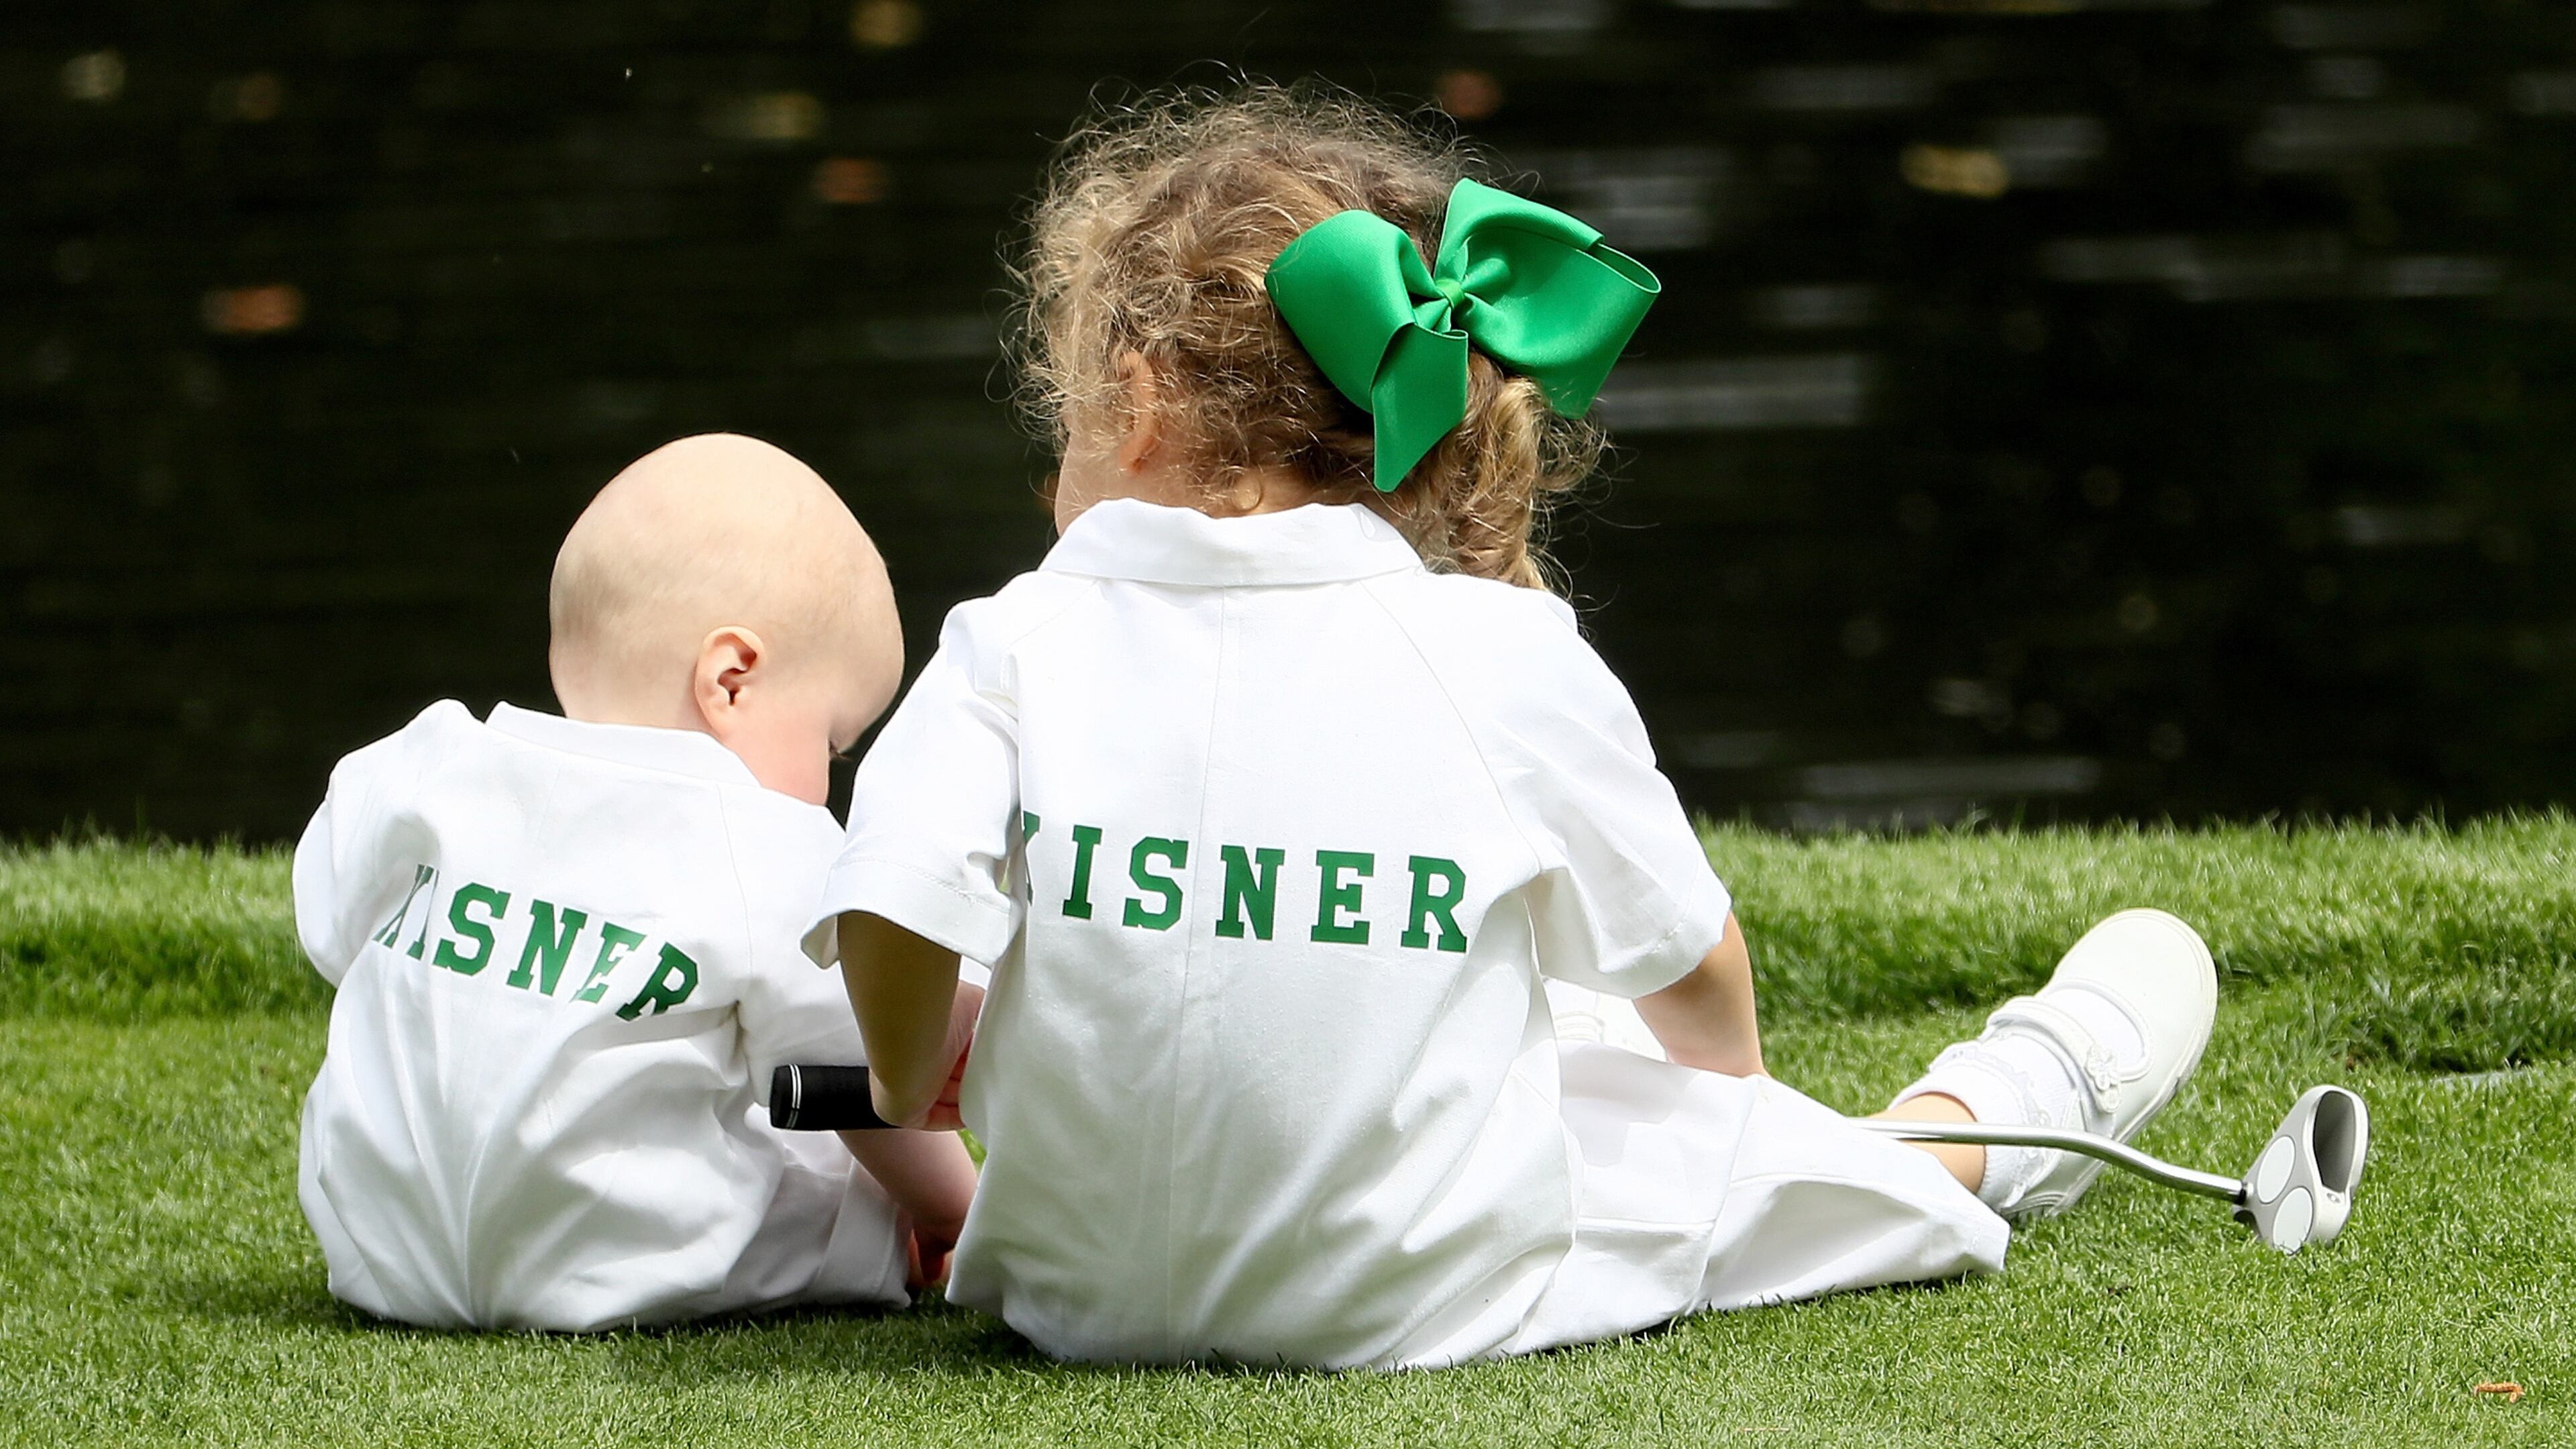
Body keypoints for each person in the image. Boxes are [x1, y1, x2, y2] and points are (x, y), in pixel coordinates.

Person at [807, 89, 2216, 1369]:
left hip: (1078, 1305)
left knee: (1506, 1022)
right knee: (1728, 1151)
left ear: (1142, 391)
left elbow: (892, 907)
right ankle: (2017, 1104)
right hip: (1416, 1298)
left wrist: (904, 1066)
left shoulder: (1013, 640)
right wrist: (1727, 1123)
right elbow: (1698, 968)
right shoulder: (1493, 653)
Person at [292, 433, 979, 1332]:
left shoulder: (423, 764)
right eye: (831, 743)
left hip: (382, 1249)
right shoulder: (760, 837)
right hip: (617, 1265)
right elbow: (858, 1078)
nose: (827, 783)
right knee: (842, 1182)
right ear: (730, 682)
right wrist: (953, 1209)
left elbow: (337, 939)